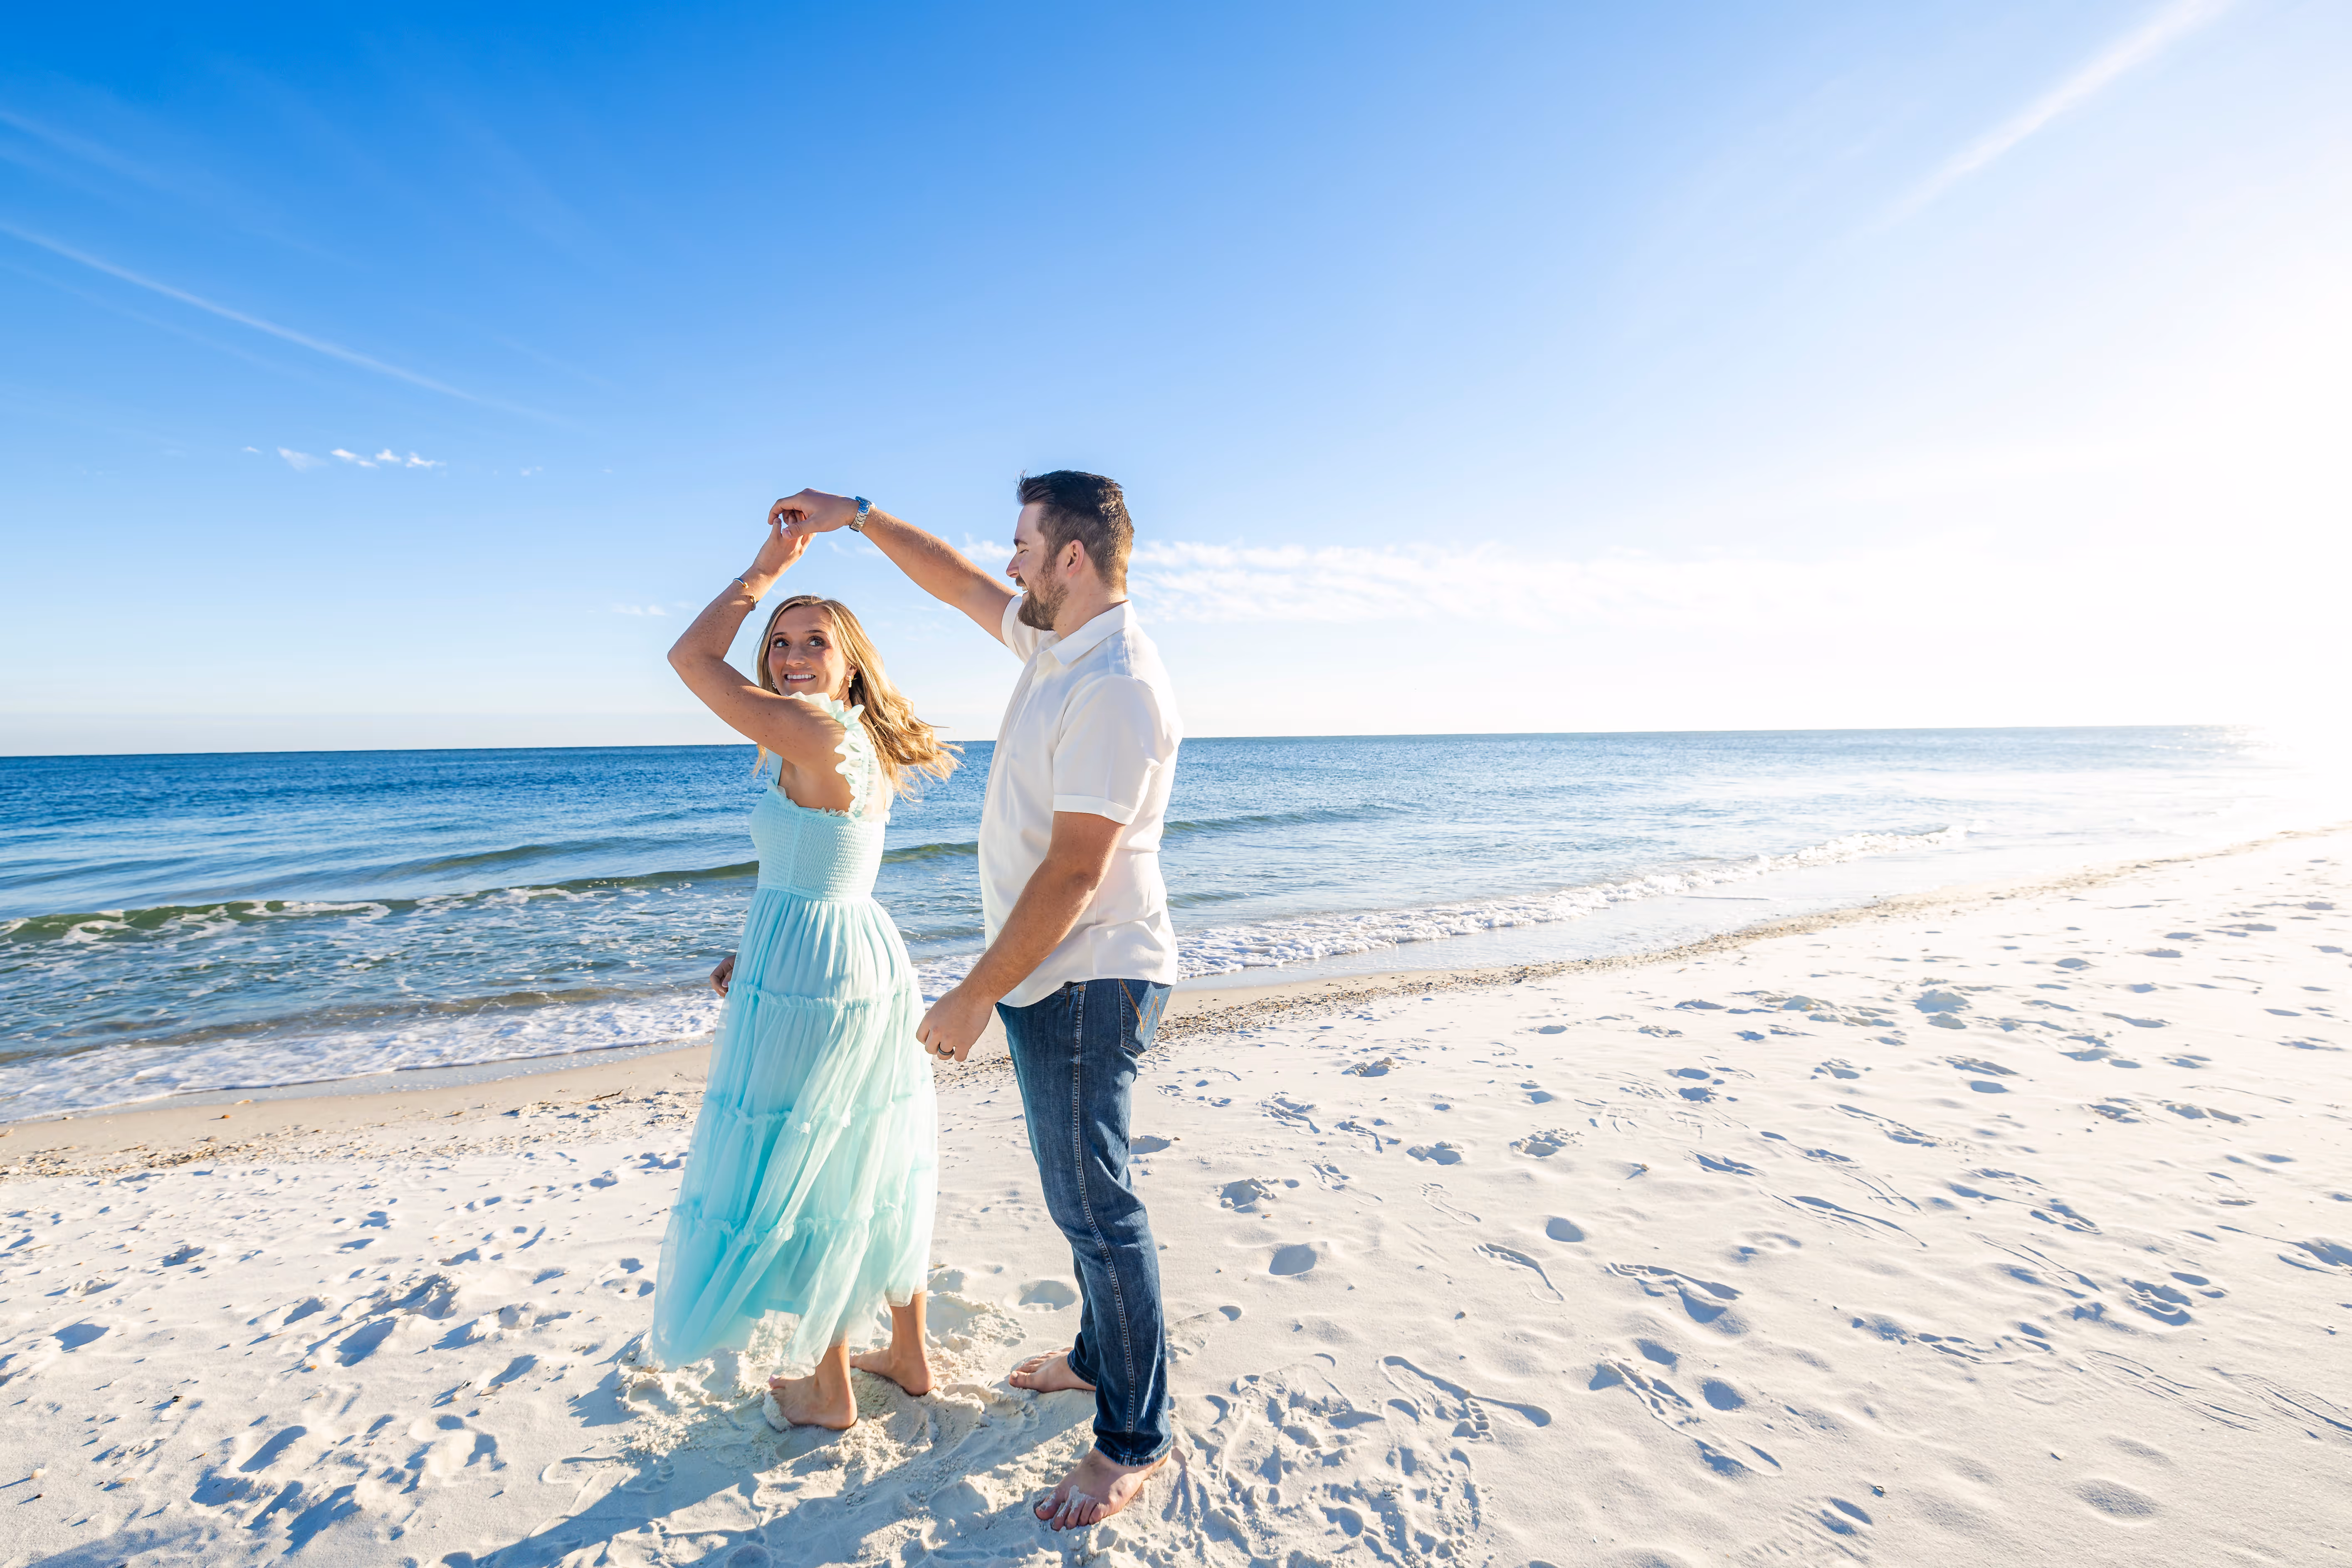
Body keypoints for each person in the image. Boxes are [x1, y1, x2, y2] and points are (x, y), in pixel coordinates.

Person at [769, 473, 1182, 1531]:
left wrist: (968, 993)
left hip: (1086, 971)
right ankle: (1099, 1360)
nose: (1006, 562)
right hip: (1054, 972)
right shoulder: (1058, 644)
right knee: (1079, 1195)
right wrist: (855, 519)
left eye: (1022, 545)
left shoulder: (1116, 682)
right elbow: (952, 583)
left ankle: (1131, 1439)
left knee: (1096, 1204)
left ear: (1071, 559)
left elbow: (1074, 872)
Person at [646, 512, 957, 1431]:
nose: (786, 657)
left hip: (819, 976)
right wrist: (761, 949)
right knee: (868, 1147)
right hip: (841, 952)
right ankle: (907, 1351)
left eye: (810, 642)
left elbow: (690, 661)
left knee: (806, 1162)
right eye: (778, 641)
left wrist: (762, 567)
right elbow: (822, 868)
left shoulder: (811, 730)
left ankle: (829, 1392)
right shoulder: (840, 736)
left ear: (849, 662)